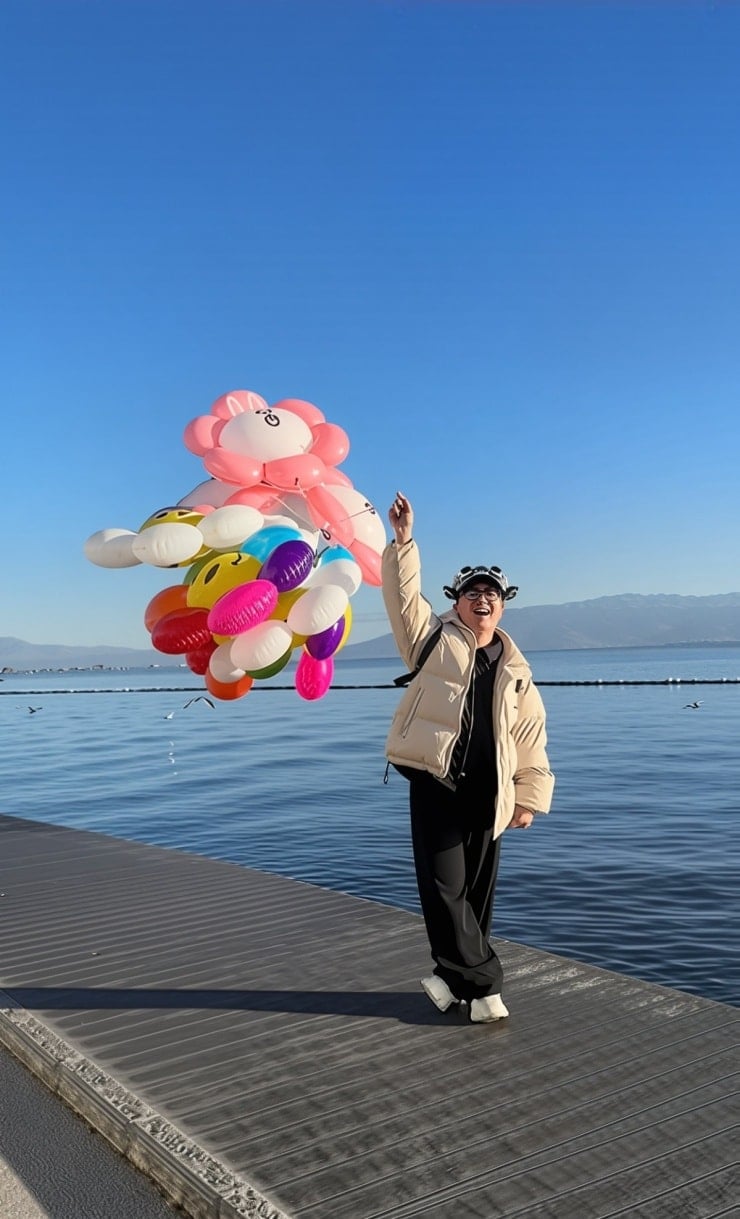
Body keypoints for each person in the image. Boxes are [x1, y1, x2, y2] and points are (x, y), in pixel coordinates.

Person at [382, 491, 554, 1023]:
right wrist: (404, 541)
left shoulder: (516, 667)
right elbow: (403, 600)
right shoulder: (430, 642)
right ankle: (485, 984)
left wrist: (528, 797)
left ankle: (451, 982)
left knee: (477, 897)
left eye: (492, 594)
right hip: (437, 783)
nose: (483, 600)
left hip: (492, 792)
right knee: (444, 890)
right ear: (456, 602)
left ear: (503, 605)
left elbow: (530, 735)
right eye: (473, 593)